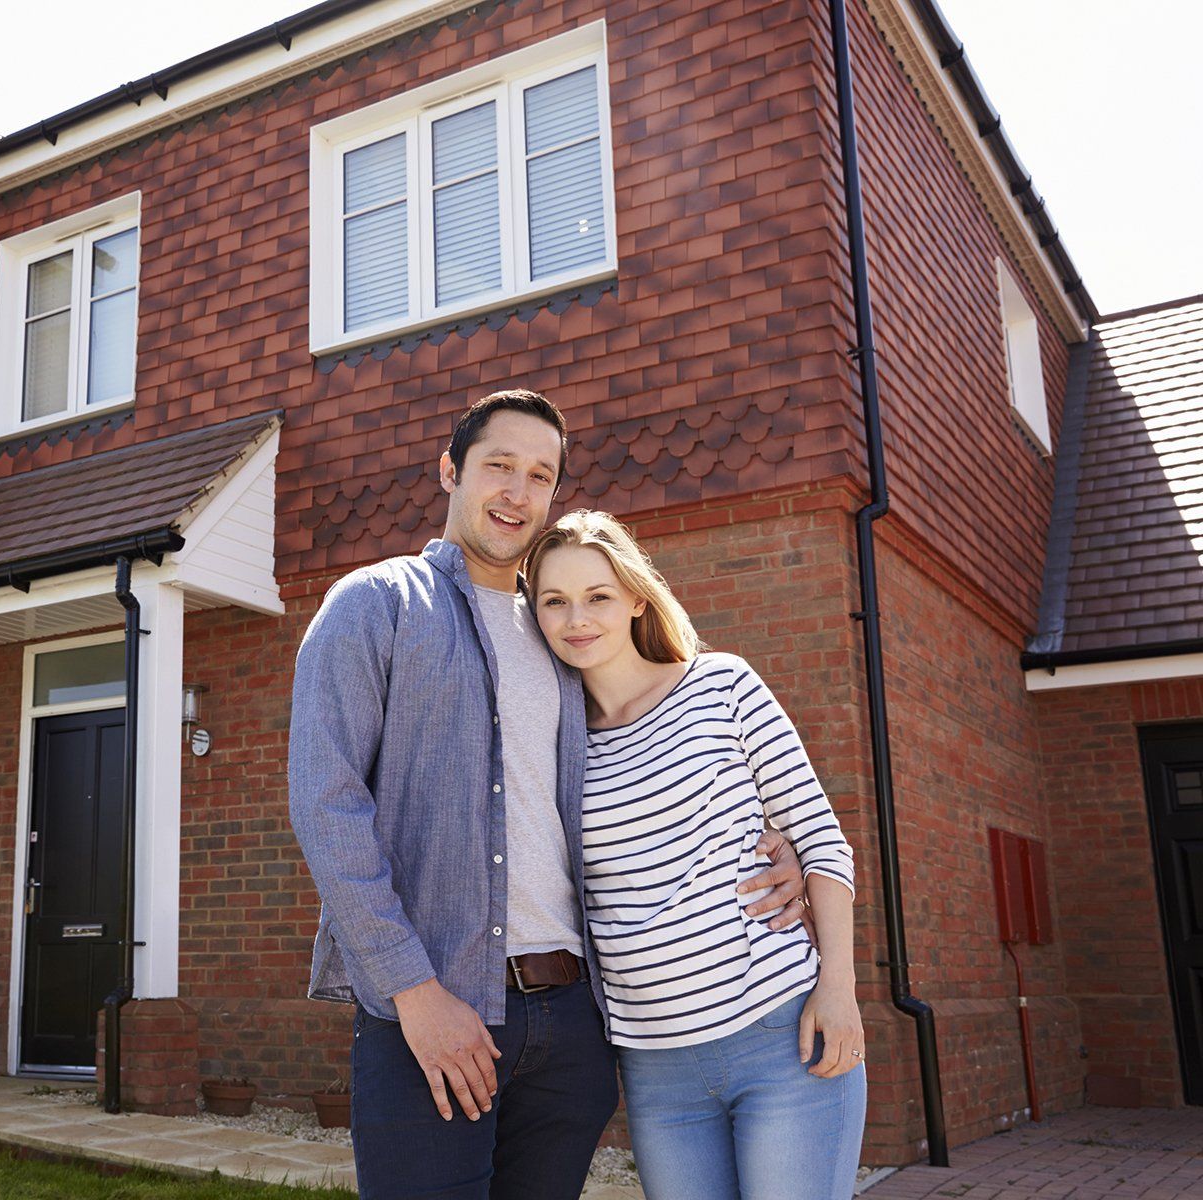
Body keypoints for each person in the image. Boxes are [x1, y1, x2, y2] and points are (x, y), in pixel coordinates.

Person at [288, 389, 812, 1200]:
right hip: (433, 1015)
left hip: (572, 1023)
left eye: (541, 475)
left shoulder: (562, 629)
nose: (518, 491)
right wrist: (414, 995)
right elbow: (325, 804)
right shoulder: (377, 606)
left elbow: (653, 765)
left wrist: (779, 844)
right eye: (499, 466)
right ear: (449, 471)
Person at [526, 508, 866, 1200]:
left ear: (636, 599)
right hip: (655, 1070)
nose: (575, 619)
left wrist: (839, 989)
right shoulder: (556, 744)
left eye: (597, 596)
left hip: (781, 1036)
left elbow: (822, 840)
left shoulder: (722, 687)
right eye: (553, 601)